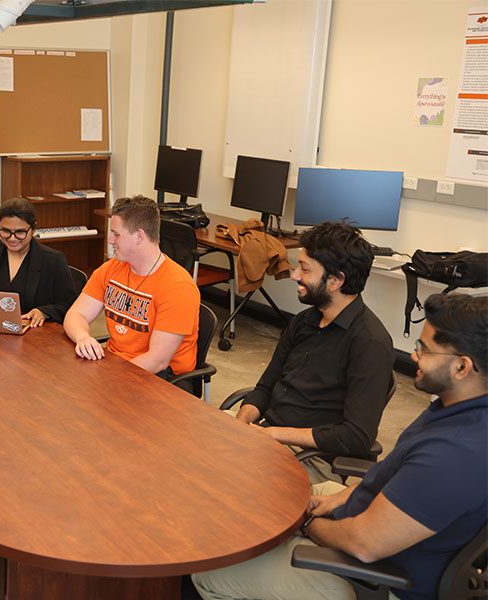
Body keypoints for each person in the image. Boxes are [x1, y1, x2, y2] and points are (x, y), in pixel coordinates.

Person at [193, 292, 487, 600]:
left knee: (209, 568)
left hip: (369, 577)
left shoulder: (455, 455)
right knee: (227, 512)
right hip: (353, 516)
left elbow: (365, 544)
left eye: (424, 350)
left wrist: (307, 523)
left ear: (462, 367)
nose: (414, 356)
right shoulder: (455, 410)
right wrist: (344, 496)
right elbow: (390, 475)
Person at [234, 221, 393, 482]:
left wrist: (274, 434)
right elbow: (265, 388)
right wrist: (239, 426)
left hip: (311, 459)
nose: (295, 275)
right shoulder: (303, 321)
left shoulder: (370, 343)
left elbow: (357, 436)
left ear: (335, 280)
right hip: (265, 436)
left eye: (304, 269)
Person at [64, 195, 200, 382]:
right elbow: (75, 315)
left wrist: (108, 377)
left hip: (163, 381)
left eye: (117, 234)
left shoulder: (178, 287)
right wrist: (82, 338)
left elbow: (157, 361)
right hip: (117, 367)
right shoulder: (112, 269)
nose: (110, 240)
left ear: (139, 236)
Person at [0, 197, 75, 326]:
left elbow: (69, 305)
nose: (12, 239)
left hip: (34, 333)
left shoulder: (53, 260)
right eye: (5, 231)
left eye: (20, 232)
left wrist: (43, 312)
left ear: (33, 227)